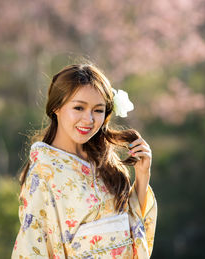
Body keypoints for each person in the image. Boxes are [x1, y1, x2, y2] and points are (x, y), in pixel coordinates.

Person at [11, 64, 157, 258]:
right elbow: (33, 244)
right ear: (57, 107)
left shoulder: (103, 160)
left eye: (98, 110)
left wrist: (142, 175)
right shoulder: (44, 171)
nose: (88, 119)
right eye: (78, 107)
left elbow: (130, 226)